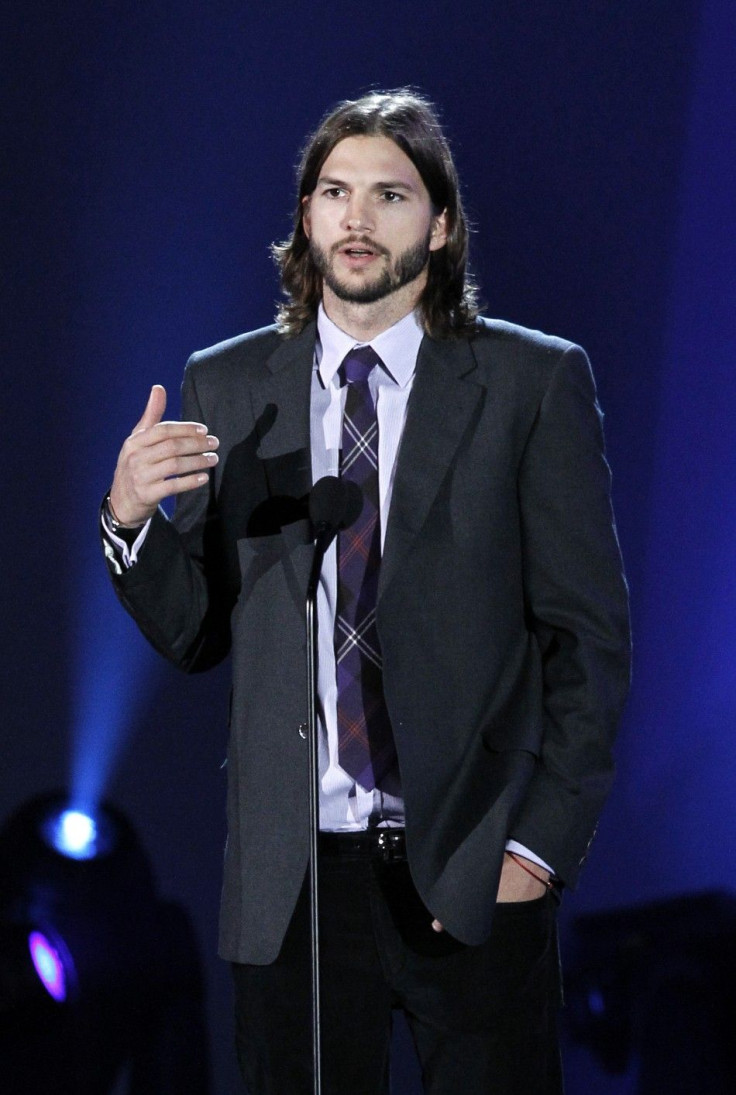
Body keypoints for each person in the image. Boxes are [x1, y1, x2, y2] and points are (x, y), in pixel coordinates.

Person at [101, 89, 631, 1094]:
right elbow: (196, 629)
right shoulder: (231, 384)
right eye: (334, 192)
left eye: (389, 194)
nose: (357, 218)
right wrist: (128, 520)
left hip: (473, 863)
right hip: (294, 884)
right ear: (305, 217)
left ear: (439, 223)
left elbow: (588, 641)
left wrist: (536, 850)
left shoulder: (529, 383)